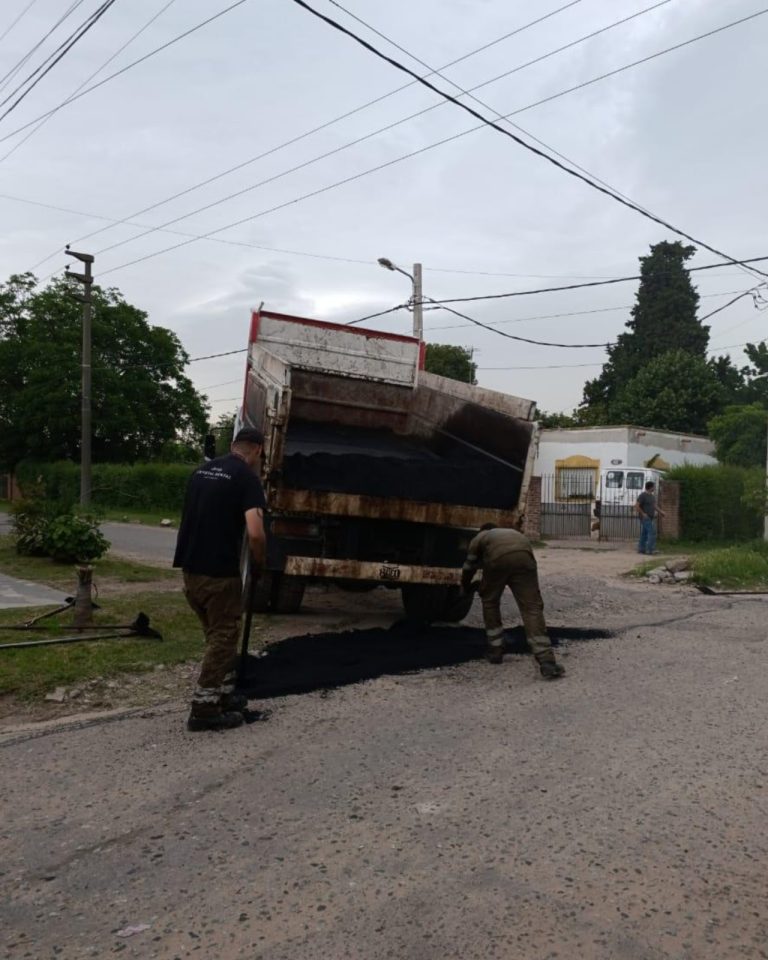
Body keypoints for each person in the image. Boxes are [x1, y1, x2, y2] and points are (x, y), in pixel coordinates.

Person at [174, 427, 267, 732]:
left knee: (218, 636)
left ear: (232, 445)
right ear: (257, 450)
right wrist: (259, 562)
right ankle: (204, 708)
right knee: (224, 637)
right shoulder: (246, 478)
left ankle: (223, 694)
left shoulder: (201, 472)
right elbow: (255, 532)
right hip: (219, 573)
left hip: (191, 570)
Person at [460, 523, 565, 680]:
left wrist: (465, 585)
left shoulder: (480, 537)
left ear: (484, 530)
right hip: (525, 557)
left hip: (498, 560)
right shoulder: (513, 533)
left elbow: (469, 566)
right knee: (531, 607)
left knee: (490, 601)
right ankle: (546, 661)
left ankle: (495, 651)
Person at [636, 480, 665, 556]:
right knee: (652, 532)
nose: (654, 488)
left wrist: (661, 512)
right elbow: (636, 506)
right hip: (645, 517)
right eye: (653, 487)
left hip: (650, 517)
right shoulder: (643, 495)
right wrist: (643, 513)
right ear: (650, 487)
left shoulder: (652, 496)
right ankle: (650, 549)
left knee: (644, 533)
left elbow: (654, 506)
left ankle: (641, 549)